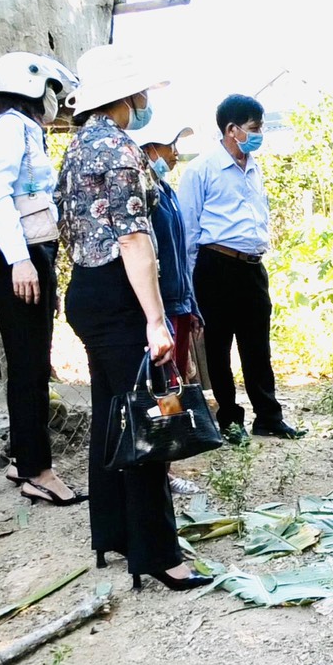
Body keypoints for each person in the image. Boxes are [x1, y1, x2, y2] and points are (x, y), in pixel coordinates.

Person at [56, 44, 211, 592]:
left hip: (87, 290)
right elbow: (133, 238)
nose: (145, 100)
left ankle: (115, 533)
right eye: (141, 91)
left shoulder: (78, 147)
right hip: (122, 298)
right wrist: (155, 319)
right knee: (149, 420)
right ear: (126, 96)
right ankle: (159, 553)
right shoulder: (121, 150)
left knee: (111, 416)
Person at [0, 52, 85, 507]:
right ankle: (39, 473)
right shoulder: (8, 128)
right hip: (16, 257)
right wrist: (20, 260)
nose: (54, 102)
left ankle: (23, 460)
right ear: (31, 87)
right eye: (51, 92)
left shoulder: (22, 128)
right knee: (29, 367)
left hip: (29, 253)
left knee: (28, 363)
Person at [177, 94, 305, 443]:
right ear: (232, 130)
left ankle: (268, 417)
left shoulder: (253, 167)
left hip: (252, 268)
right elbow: (188, 230)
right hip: (215, 266)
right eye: (254, 128)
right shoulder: (201, 170)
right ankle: (230, 421)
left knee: (257, 346)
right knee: (218, 348)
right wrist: (190, 287)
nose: (259, 134)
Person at [130, 116, 202, 496]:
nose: (173, 154)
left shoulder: (167, 191)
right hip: (161, 304)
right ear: (148, 149)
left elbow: (179, 253)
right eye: (168, 146)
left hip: (179, 301)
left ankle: (165, 467)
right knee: (162, 391)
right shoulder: (143, 195)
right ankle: (157, 470)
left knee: (175, 386)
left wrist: (192, 304)